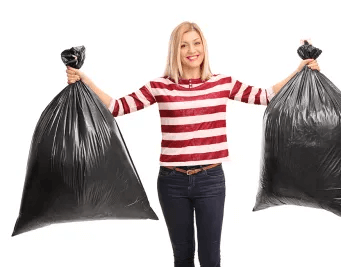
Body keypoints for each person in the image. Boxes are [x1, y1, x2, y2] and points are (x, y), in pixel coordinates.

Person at [66, 21, 320, 267]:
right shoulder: (159, 86)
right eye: (184, 45)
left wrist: (299, 71)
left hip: (210, 180)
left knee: (210, 259)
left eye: (196, 43)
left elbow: (265, 96)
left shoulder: (222, 83)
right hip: (171, 182)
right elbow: (116, 107)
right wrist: (85, 81)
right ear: (174, 50)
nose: (192, 51)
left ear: (204, 47)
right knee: (183, 258)